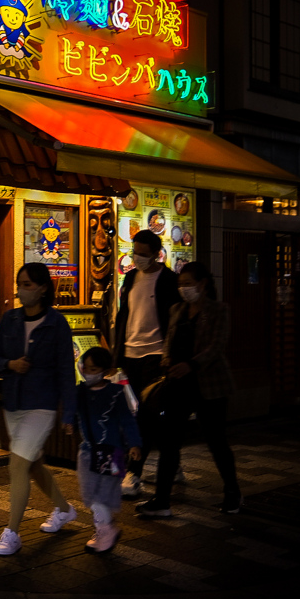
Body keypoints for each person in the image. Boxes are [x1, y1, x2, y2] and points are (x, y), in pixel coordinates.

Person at [137, 262, 242, 517]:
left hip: (209, 384)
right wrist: (167, 361)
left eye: (188, 284)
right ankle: (161, 500)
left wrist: (191, 365)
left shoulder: (219, 310)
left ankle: (233, 492)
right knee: (170, 441)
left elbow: (216, 347)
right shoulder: (177, 309)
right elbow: (169, 342)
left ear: (202, 284)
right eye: (181, 284)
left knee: (216, 440)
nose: (184, 289)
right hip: (178, 385)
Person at [0, 263, 77, 556]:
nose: (21, 290)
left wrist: (69, 413)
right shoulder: (10, 319)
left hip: (42, 404)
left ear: (42, 288)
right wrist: (9, 365)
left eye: (27, 284)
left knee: (17, 465)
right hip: (13, 402)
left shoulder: (56, 323)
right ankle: (64, 509)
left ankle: (12, 532)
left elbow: (66, 370)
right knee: (33, 465)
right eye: (19, 283)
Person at [112, 229, 180, 498]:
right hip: (130, 355)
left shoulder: (168, 281)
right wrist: (116, 357)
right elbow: (123, 317)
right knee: (132, 414)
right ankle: (171, 460)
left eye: (142, 254)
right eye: (134, 252)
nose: (137, 258)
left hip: (155, 355)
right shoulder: (130, 277)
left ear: (155, 253)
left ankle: (134, 473)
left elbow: (174, 322)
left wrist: (170, 354)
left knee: (147, 415)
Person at [65, 347, 142, 553]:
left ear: (106, 370)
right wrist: (68, 422)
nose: (88, 373)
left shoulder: (115, 393)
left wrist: (134, 444)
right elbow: (70, 409)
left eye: (93, 369)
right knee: (89, 493)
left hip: (112, 452)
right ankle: (105, 529)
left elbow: (127, 420)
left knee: (103, 494)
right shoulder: (79, 391)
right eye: (85, 368)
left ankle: (105, 531)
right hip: (88, 451)